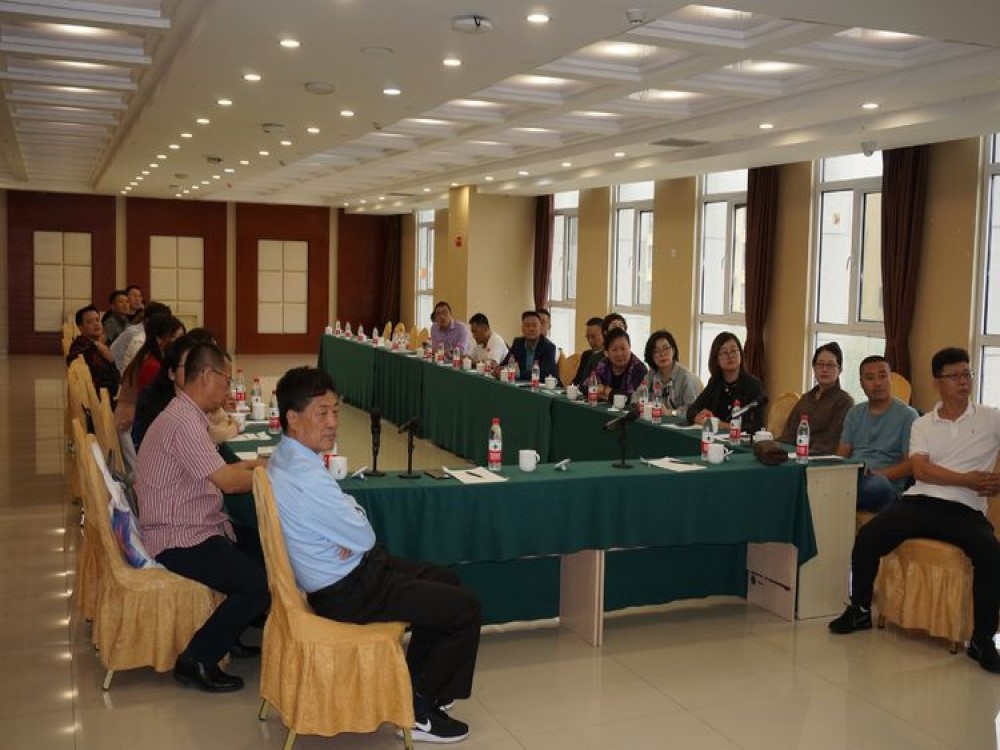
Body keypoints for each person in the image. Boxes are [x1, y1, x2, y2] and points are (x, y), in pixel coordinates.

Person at [268, 367, 481, 742]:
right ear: (293, 418)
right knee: (464, 608)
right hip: (349, 590)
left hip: (351, 573)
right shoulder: (306, 477)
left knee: (446, 580)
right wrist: (350, 526)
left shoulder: (285, 456)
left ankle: (414, 687)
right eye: (322, 413)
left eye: (335, 411)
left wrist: (348, 522)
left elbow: (352, 519)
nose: (333, 422)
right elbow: (364, 535)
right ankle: (417, 711)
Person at [830, 348, 1000, 674]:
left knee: (991, 554)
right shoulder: (923, 424)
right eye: (954, 376)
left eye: (966, 374)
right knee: (869, 537)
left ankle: (982, 640)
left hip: (966, 508)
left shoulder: (990, 418)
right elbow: (921, 470)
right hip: (920, 500)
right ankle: (861, 609)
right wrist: (967, 479)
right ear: (938, 382)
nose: (963, 381)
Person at [135, 342, 269, 692]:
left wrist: (260, 465)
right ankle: (196, 659)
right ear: (207, 376)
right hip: (178, 537)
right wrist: (275, 477)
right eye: (226, 381)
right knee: (257, 583)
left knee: (270, 551)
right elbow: (229, 482)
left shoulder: (187, 414)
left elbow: (218, 469)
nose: (228, 390)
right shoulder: (184, 423)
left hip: (198, 524)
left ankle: (229, 634)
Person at [835, 355, 918, 512]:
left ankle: (838, 496)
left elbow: (911, 465)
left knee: (875, 486)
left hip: (885, 484)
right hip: (853, 476)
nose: (877, 383)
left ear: (890, 378)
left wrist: (876, 474)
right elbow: (842, 454)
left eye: (882, 376)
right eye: (870, 378)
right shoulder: (854, 413)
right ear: (861, 383)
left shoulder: (908, 415)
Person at [778, 343, 855, 455]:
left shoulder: (844, 402)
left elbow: (831, 442)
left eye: (830, 365)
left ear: (840, 369)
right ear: (814, 367)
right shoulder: (806, 398)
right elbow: (788, 435)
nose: (824, 369)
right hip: (794, 455)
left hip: (820, 459)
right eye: (820, 364)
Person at [686, 331, 766, 435]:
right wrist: (699, 417)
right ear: (716, 359)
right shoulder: (715, 382)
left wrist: (721, 425)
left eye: (733, 351)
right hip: (715, 439)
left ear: (741, 354)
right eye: (725, 352)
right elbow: (692, 410)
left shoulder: (753, 386)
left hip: (740, 441)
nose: (730, 356)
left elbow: (756, 427)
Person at [631, 330, 700, 416]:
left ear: (673, 351)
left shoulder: (685, 376)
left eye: (666, 349)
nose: (662, 354)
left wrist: (670, 412)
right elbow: (635, 397)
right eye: (656, 351)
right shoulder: (652, 374)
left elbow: (693, 410)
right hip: (656, 421)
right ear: (651, 356)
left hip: (679, 423)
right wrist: (639, 404)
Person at [66, 304, 120, 405]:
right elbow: (71, 359)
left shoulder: (97, 344)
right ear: (80, 328)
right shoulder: (81, 345)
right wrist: (95, 347)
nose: (96, 324)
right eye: (89, 322)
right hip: (102, 401)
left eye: (97, 320)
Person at [111, 300, 172, 373]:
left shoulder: (144, 331)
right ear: (147, 320)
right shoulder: (137, 335)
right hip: (118, 374)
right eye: (161, 322)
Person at [500, 310, 559, 382]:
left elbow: (543, 373)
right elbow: (505, 363)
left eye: (534, 325)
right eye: (527, 326)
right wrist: (499, 369)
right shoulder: (518, 343)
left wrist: (518, 374)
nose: (531, 329)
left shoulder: (549, 347)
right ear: (522, 329)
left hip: (545, 386)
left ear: (540, 328)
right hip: (522, 385)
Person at [592, 328, 646, 401]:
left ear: (630, 348)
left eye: (623, 348)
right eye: (614, 350)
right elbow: (585, 386)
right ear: (606, 353)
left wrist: (607, 390)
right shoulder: (603, 364)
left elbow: (634, 398)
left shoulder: (638, 369)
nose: (619, 354)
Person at [572, 317, 605, 386]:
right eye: (588, 337)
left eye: (593, 337)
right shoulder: (586, 355)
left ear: (604, 334)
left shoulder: (609, 356)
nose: (590, 341)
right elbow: (577, 380)